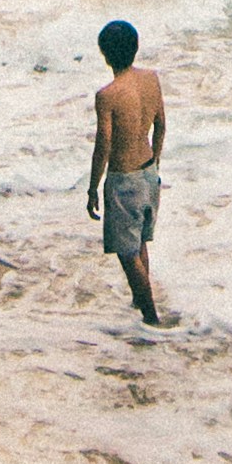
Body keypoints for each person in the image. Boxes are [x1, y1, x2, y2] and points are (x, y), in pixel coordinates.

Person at [87, 17, 170, 325]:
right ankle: (140, 300)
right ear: (136, 48)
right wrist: (156, 161)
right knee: (140, 245)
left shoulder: (107, 95)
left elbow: (104, 145)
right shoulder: (151, 79)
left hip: (124, 180)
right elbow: (161, 124)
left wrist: (93, 187)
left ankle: (151, 318)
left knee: (126, 252)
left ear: (105, 54)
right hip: (149, 172)